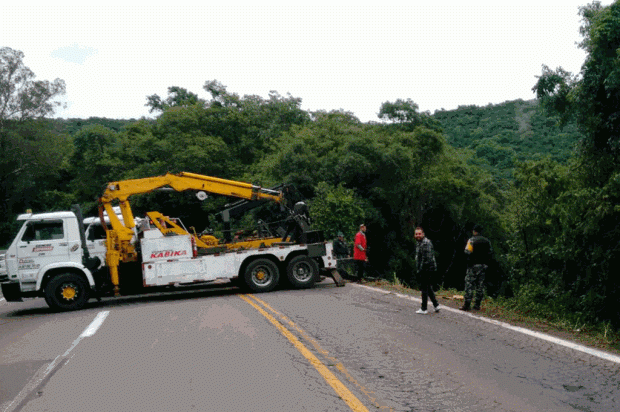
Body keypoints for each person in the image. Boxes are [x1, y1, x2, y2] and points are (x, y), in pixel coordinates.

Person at [461, 224, 493, 311]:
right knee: (480, 285)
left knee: (469, 284)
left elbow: (467, 251)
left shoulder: (471, 240)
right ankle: (477, 305)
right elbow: (490, 253)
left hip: (473, 265)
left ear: (474, 231)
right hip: (483, 266)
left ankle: (467, 304)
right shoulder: (487, 241)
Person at [414, 227, 440, 314]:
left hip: (427, 268)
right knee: (428, 287)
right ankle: (436, 305)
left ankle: (424, 308)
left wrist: (421, 269)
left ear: (423, 234)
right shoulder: (419, 243)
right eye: (416, 234)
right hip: (425, 268)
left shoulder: (425, 243)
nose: (418, 235)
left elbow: (426, 259)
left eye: (419, 234)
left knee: (424, 288)